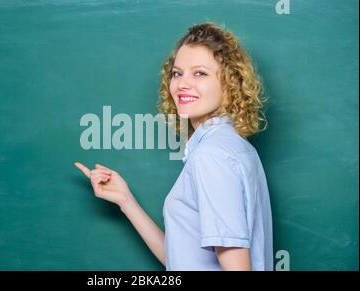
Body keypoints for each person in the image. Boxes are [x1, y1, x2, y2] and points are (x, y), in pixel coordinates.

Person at [75, 22, 273, 271]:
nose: (182, 84)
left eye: (200, 73)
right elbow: (181, 260)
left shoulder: (211, 156)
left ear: (229, 83)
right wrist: (126, 201)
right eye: (177, 73)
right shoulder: (233, 147)